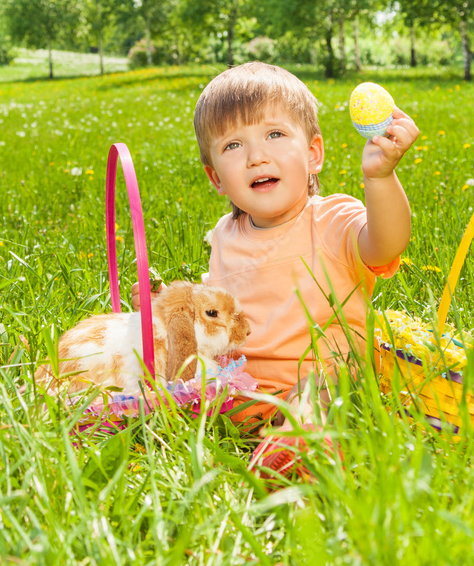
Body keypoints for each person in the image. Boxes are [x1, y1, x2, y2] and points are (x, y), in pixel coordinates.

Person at [134, 61, 418, 485]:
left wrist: (380, 178)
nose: (256, 156)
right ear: (216, 178)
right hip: (240, 384)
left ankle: (299, 444)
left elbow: (386, 243)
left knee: (316, 392)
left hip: (322, 379)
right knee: (169, 384)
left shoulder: (331, 220)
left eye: (275, 134)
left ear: (313, 154)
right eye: (232, 145)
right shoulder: (224, 235)